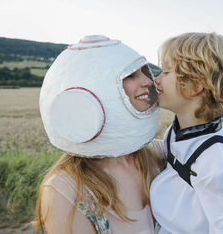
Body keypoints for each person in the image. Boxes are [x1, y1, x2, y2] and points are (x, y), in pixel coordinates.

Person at [35, 35, 163, 234]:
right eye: (130, 76)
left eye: (144, 72)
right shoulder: (64, 191)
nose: (148, 81)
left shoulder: (156, 155)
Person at [150, 32, 223, 234]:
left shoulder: (222, 166)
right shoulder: (178, 131)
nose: (157, 79)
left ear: (195, 86)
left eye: (166, 72)